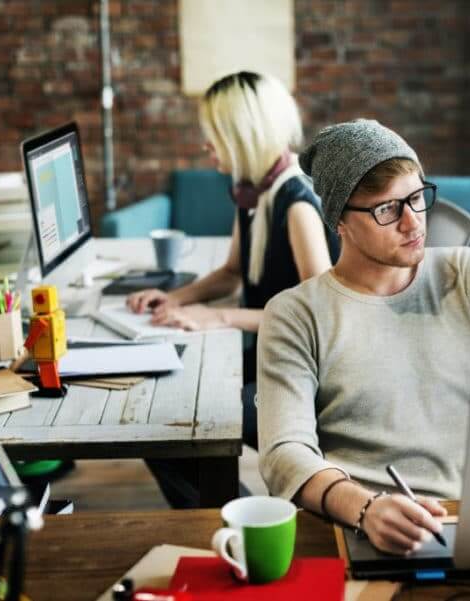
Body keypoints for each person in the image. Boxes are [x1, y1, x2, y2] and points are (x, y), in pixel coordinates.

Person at [257, 119, 470, 555]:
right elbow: (283, 452)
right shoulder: (295, 314)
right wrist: (365, 508)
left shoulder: (467, 274)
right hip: (362, 526)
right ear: (340, 222)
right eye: (387, 209)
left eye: (416, 198)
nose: (413, 222)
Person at [128, 71, 337, 508]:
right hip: (269, 359)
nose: (206, 146)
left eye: (214, 136)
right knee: (157, 416)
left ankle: (235, 517)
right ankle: (230, 513)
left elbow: (318, 318)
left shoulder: (297, 203)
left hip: (300, 379)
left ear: (245, 136)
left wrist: (218, 317)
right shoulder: (253, 191)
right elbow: (232, 271)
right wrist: (177, 299)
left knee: (172, 427)